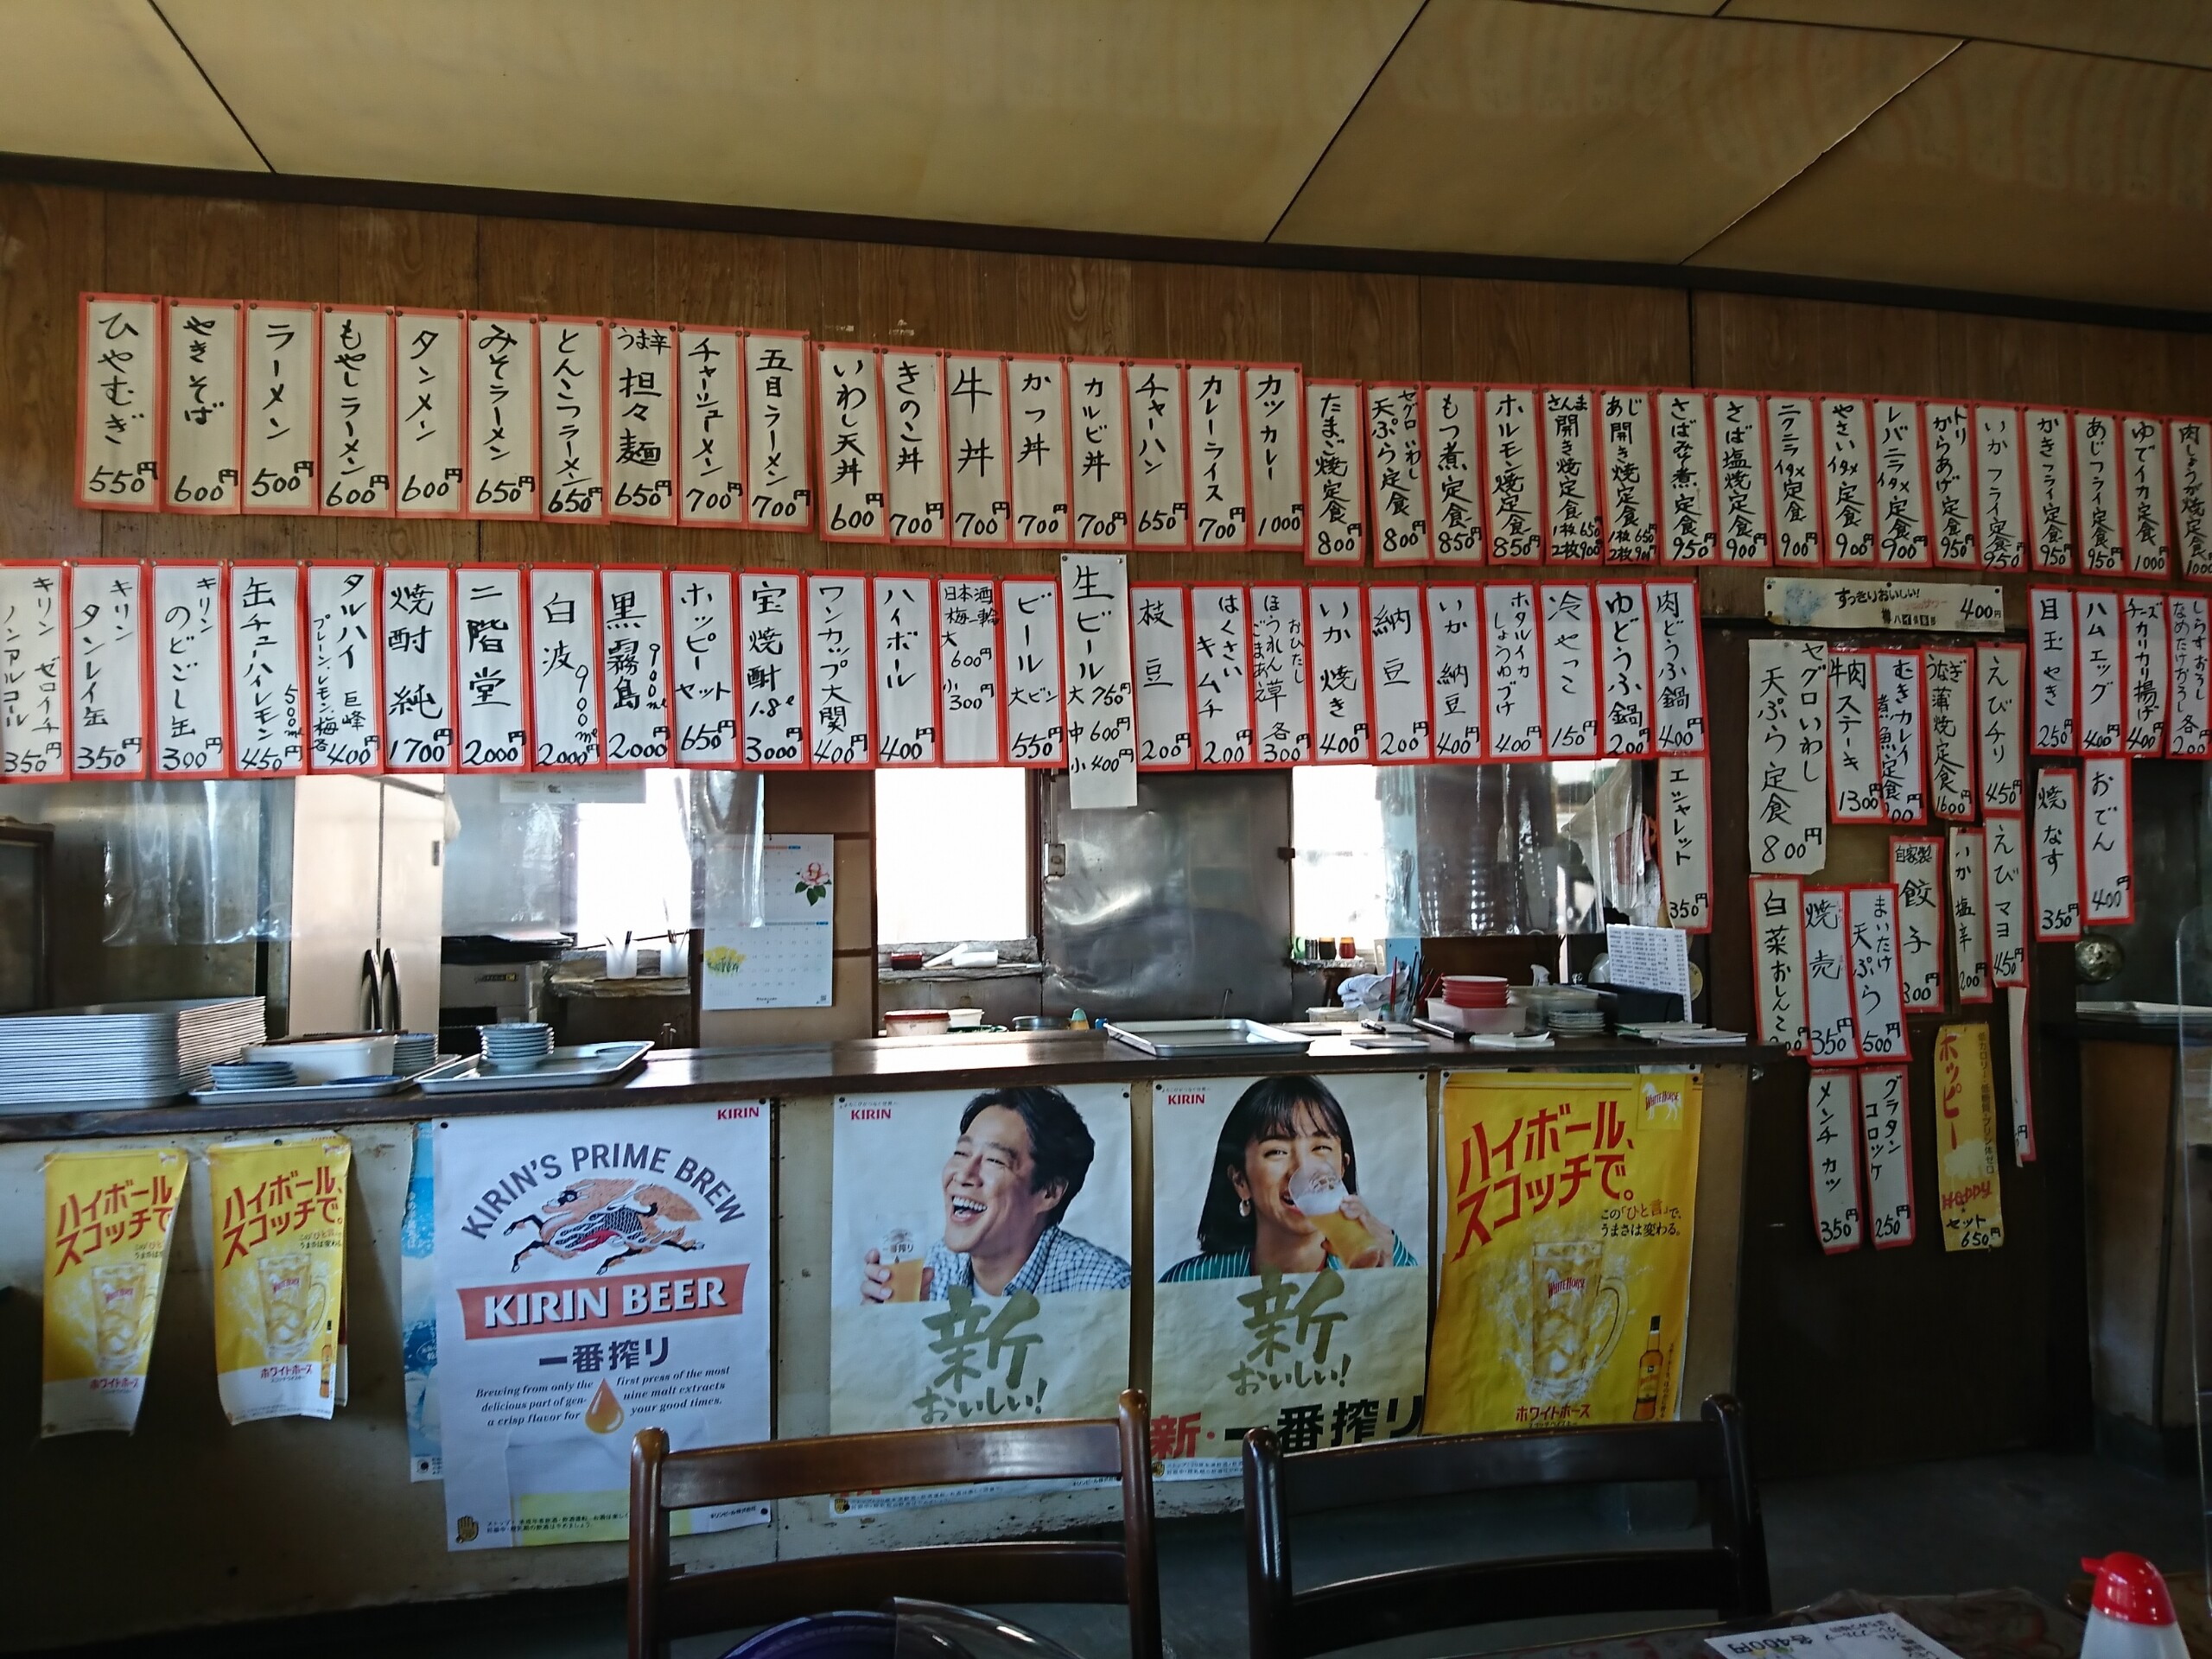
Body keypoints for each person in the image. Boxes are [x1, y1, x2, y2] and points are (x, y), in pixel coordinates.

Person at [861, 1086, 1130, 1301]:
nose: (963, 1175)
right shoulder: (937, 1266)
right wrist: (889, 1328)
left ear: (1048, 1193)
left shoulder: (1106, 1289)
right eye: (961, 1153)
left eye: (994, 1160)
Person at [1160, 1074, 1416, 1281]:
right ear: (1240, 1181)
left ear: (1342, 1168)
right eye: (1277, 1151)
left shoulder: (1390, 1262)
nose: (1302, 1169)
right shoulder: (1189, 1283)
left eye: (1320, 1148)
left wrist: (1387, 1284)